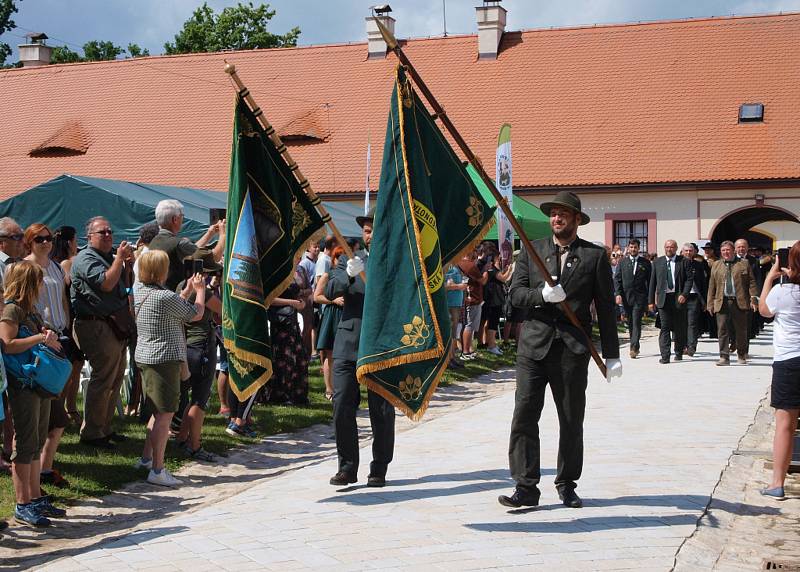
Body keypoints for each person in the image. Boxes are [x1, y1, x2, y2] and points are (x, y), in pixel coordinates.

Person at [499, 191, 621, 510]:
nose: (557, 218)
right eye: (553, 213)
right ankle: (525, 486)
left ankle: (567, 482)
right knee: (524, 415)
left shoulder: (594, 256)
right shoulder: (532, 251)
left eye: (564, 214)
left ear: (577, 220)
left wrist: (612, 355)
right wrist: (541, 295)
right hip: (534, 347)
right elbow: (515, 296)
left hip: (572, 348)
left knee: (570, 419)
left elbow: (606, 307)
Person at [326, 207, 395, 488]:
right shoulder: (349, 261)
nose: (370, 235)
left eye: (374, 230)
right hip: (348, 343)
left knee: (380, 410)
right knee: (341, 405)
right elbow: (329, 291)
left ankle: (379, 467)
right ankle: (347, 467)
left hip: (379, 344)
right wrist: (350, 275)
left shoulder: (393, 264)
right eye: (366, 231)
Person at [0, 261, 68, 526]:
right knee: (26, 443)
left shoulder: (30, 310)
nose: (43, 286)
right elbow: (7, 345)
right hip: (22, 383)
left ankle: (36, 496)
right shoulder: (12, 310)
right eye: (39, 281)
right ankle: (22, 502)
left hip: (36, 382)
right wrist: (40, 339)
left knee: (37, 440)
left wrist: (45, 335)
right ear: (28, 283)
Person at [133, 250, 204, 487]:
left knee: (156, 411)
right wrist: (201, 292)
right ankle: (158, 469)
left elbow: (174, 303)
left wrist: (188, 291)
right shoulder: (163, 297)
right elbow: (195, 313)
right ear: (160, 271)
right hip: (164, 359)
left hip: (146, 356)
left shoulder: (141, 290)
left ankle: (146, 459)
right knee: (165, 416)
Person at [71, 217, 135, 449]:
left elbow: (123, 285)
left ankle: (104, 427)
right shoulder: (86, 258)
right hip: (95, 325)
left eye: (110, 231)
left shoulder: (109, 258)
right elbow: (106, 284)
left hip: (113, 324)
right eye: (102, 233)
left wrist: (127, 264)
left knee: (116, 377)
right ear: (89, 237)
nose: (108, 236)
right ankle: (91, 432)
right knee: (103, 378)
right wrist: (119, 259)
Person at [23, 224, 73, 490]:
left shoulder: (54, 266)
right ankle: (37, 473)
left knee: (57, 412)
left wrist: (65, 325)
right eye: (39, 239)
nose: (46, 242)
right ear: (29, 242)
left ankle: (45, 467)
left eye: (49, 238)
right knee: (48, 413)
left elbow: (62, 299)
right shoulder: (24, 268)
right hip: (40, 341)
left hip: (59, 337)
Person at [758, 242, 800, 499]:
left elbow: (763, 310)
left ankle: (777, 483)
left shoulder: (782, 292)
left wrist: (770, 277)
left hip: (788, 361)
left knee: (785, 424)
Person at [175, 251, 223, 462]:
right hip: (202, 346)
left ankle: (182, 438)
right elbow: (223, 311)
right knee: (200, 399)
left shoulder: (181, 287)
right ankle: (195, 445)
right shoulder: (202, 292)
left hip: (187, 346)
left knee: (190, 397)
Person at [148, 199, 224, 291]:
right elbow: (215, 257)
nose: (182, 218)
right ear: (175, 219)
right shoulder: (179, 243)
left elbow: (192, 250)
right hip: (175, 296)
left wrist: (210, 233)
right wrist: (223, 235)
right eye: (182, 216)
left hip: (158, 294)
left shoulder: (154, 241)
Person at [51, 225, 83, 425]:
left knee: (75, 365)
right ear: (70, 242)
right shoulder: (66, 264)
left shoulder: (58, 263)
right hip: (68, 319)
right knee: (71, 367)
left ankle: (68, 408)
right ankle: (68, 408)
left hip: (69, 317)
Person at [707, 240, 757, 365]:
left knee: (741, 330)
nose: (726, 252)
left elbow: (752, 282)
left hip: (739, 301)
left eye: (728, 250)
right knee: (722, 330)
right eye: (723, 250)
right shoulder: (716, 265)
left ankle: (741, 354)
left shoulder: (743, 264)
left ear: (733, 250)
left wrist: (754, 298)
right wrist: (710, 304)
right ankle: (724, 357)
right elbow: (711, 286)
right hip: (722, 301)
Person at [262, 274, 309, 406]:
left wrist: (300, 302)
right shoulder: (276, 273)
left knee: (300, 358)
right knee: (283, 359)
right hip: (281, 321)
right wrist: (291, 303)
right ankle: (279, 395)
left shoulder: (296, 273)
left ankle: (297, 395)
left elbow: (298, 294)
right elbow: (269, 300)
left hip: (292, 320)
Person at [648, 239, 694, 364]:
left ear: (676, 248)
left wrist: (684, 294)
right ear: (664, 248)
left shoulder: (683, 261)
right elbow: (652, 282)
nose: (669, 249)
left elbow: (689, 280)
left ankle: (678, 351)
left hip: (678, 298)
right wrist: (650, 301)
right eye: (667, 247)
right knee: (665, 327)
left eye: (672, 247)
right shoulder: (657, 262)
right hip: (664, 299)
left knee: (679, 327)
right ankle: (665, 355)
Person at [315, 245, 346, 399]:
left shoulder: (350, 275)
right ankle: (329, 389)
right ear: (334, 259)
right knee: (330, 354)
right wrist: (333, 301)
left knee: (344, 355)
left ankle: (342, 388)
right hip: (332, 315)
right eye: (339, 257)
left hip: (346, 315)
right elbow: (317, 296)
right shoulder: (328, 275)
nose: (342, 260)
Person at [614, 239, 651, 358]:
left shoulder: (645, 263)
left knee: (636, 322)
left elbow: (650, 282)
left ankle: (634, 347)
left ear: (639, 248)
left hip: (640, 297)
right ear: (628, 248)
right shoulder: (622, 262)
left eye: (635, 247)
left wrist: (650, 299)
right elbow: (617, 279)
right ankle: (635, 344)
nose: (633, 249)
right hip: (626, 297)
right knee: (630, 322)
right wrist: (618, 294)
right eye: (631, 247)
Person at [457, 247, 488, 360]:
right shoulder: (469, 265)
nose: (475, 253)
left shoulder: (460, 262)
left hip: (468, 299)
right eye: (474, 250)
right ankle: (466, 351)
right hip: (473, 299)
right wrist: (485, 270)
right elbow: (483, 281)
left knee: (467, 325)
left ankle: (466, 350)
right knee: (469, 325)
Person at [481, 248, 513, 355]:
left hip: (491, 298)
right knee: (493, 323)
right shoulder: (492, 268)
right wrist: (510, 270)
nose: (499, 258)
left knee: (490, 322)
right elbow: (503, 279)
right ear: (494, 257)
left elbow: (499, 277)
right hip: (494, 299)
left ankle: (490, 343)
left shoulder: (489, 268)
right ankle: (491, 345)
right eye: (498, 256)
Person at [681, 243, 708, 357]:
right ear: (682, 252)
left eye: (690, 251)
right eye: (686, 251)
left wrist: (705, 300)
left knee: (692, 323)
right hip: (681, 297)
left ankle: (691, 346)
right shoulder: (678, 264)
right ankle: (682, 346)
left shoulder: (699, 265)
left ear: (694, 252)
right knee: (682, 323)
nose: (688, 253)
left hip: (694, 297)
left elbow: (703, 283)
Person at [297, 240, 319, 357]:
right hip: (300, 303)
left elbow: (310, 287)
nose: (317, 249)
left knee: (310, 327)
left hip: (308, 301)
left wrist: (307, 291)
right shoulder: (304, 264)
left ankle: (308, 352)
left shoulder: (307, 266)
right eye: (315, 246)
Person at [444, 262, 468, 368]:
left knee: (454, 332)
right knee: (450, 332)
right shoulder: (448, 266)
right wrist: (459, 286)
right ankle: (448, 359)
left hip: (457, 303)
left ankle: (452, 357)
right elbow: (445, 286)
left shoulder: (456, 266)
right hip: (450, 303)